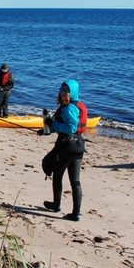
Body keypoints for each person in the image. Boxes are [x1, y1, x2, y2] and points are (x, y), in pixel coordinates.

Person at [39, 79, 87, 221]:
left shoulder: (68, 108)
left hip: (67, 147)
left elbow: (70, 128)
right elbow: (65, 126)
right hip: (78, 146)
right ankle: (76, 213)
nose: (63, 94)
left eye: (66, 91)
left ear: (71, 93)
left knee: (58, 175)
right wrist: (46, 130)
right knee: (75, 181)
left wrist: (52, 124)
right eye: (62, 91)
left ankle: (56, 204)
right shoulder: (79, 105)